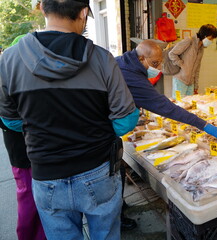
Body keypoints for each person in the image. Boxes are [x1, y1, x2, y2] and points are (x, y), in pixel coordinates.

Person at [0, 0, 139, 239]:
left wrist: (42, 128)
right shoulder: (103, 59)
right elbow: (125, 120)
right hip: (97, 170)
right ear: (84, 13)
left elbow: (9, 119)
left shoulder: (9, 59)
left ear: (42, 7)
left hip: (46, 173)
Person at [115, 40, 217, 141]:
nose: (159, 68)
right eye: (155, 63)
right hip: (105, 132)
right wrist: (203, 125)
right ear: (141, 58)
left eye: (160, 63)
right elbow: (165, 107)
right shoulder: (133, 78)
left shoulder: (122, 61)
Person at [0, 35, 46, 240]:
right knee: (28, 197)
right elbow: (8, 119)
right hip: (21, 150)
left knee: (40, 199)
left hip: (36, 149)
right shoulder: (8, 75)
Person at [169, 24, 217, 98]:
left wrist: (196, 85)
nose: (211, 41)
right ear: (204, 35)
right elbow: (172, 53)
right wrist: (182, 64)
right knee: (179, 105)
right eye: (210, 38)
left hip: (191, 83)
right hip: (180, 80)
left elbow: (197, 68)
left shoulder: (201, 48)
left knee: (189, 105)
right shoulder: (189, 41)